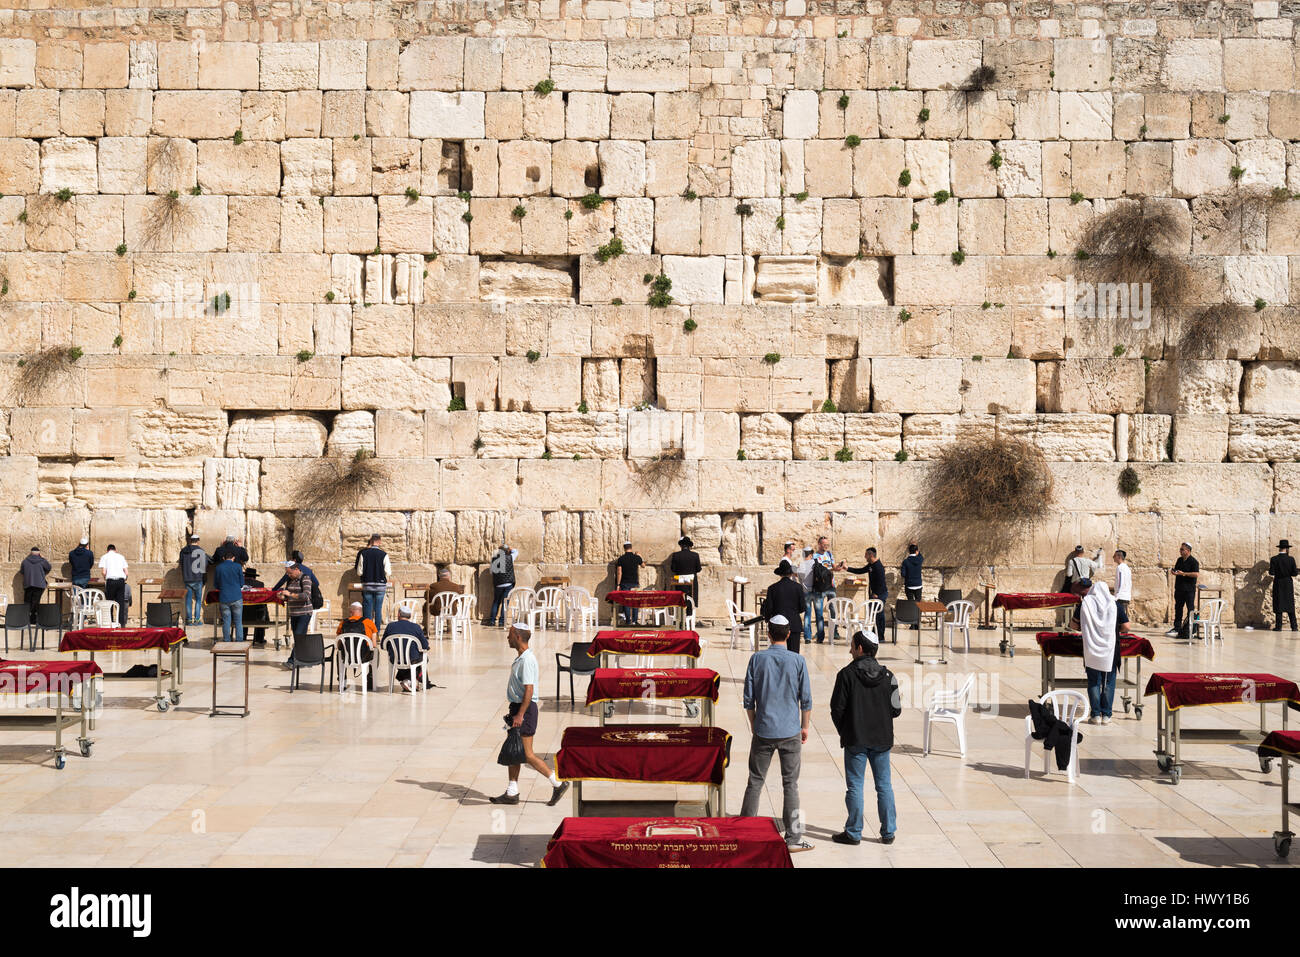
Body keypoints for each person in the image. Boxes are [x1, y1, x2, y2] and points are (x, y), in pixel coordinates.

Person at [740, 616, 814, 852]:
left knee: (755, 781)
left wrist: (754, 724)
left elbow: (748, 700)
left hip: (764, 729)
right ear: (789, 634)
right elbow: (806, 700)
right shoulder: (798, 661)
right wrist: (805, 727)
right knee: (790, 784)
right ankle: (793, 838)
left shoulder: (757, 659)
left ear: (768, 634)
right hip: (790, 730)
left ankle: (744, 833)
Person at [830, 630, 901, 845]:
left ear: (860, 649)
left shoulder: (846, 675)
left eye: (852, 645)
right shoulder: (889, 676)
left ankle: (853, 832)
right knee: (884, 786)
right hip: (881, 740)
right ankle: (888, 832)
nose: (850, 649)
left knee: (855, 786)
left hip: (856, 740)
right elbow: (896, 710)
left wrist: (846, 731)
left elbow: (836, 709)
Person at [489, 624, 569, 806]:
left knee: (526, 754)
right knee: (514, 748)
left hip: (524, 710)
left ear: (517, 636)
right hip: (518, 708)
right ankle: (512, 791)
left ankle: (557, 783)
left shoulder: (526, 660)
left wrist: (520, 715)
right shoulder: (522, 658)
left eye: (509, 635)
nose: (507, 638)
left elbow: (529, 690)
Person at [1080, 580, 1118, 724]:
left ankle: (1095, 714)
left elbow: (1073, 623)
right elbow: (1126, 626)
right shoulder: (1114, 604)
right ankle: (1107, 715)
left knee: (1094, 681)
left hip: (1091, 649)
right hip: (1109, 650)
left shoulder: (1085, 603)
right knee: (1108, 681)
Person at [382, 604, 432, 692]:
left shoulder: (390, 626)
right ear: (410, 616)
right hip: (412, 659)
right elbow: (425, 646)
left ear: (399, 615)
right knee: (424, 658)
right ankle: (409, 680)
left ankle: (409, 680)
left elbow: (383, 645)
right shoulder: (416, 627)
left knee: (405, 657)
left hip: (395, 659)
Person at [842, 548, 887, 638]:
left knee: (879, 615)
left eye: (866, 555)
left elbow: (881, 582)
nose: (864, 557)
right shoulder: (871, 565)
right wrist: (847, 568)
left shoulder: (878, 566)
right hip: (874, 594)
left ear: (871, 555)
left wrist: (876, 593)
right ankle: (875, 634)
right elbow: (860, 570)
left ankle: (880, 636)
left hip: (879, 594)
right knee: (875, 615)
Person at [764, 560, 806, 655]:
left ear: (780, 574)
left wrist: (768, 620)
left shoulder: (772, 588)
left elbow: (769, 608)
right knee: (794, 654)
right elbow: (803, 607)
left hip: (777, 625)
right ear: (791, 574)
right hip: (794, 624)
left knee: (776, 653)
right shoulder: (798, 587)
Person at [337, 601, 377, 689]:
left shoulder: (343, 623)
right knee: (376, 653)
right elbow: (374, 645)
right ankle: (370, 678)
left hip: (347, 656)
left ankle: (342, 679)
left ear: (351, 612)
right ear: (361, 611)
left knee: (338, 654)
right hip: (364, 656)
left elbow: (339, 644)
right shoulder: (369, 623)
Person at [355, 533, 391, 632]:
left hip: (367, 585)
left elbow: (359, 572)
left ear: (371, 541)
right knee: (378, 609)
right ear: (379, 541)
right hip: (380, 586)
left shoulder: (363, 554)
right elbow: (388, 572)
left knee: (367, 610)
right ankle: (377, 632)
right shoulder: (384, 554)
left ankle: (368, 631)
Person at [806, 535, 836, 644]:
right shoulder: (815, 556)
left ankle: (834, 631)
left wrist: (840, 567)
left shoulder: (829, 554)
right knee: (819, 613)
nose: (826, 546)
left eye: (827, 544)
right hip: (821, 587)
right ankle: (820, 633)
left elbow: (834, 567)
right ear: (819, 544)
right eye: (824, 544)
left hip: (831, 586)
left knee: (833, 609)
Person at [1167, 542, 1199, 639]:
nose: (1180, 551)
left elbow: (1196, 574)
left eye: (1182, 549)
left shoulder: (1194, 561)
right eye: (1180, 549)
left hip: (1189, 590)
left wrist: (1184, 573)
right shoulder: (1179, 560)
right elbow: (1177, 570)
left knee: (1190, 609)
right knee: (1178, 608)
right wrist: (1174, 572)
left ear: (1188, 551)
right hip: (1179, 589)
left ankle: (1190, 629)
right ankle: (1177, 628)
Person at [178, 534, 210, 626]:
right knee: (198, 600)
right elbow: (204, 566)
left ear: (190, 541)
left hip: (187, 578)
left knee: (188, 600)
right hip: (198, 578)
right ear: (198, 541)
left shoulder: (183, 551)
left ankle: (188, 620)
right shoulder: (201, 551)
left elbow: (181, 563)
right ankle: (196, 620)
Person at [212, 550, 244, 642]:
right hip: (237, 597)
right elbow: (242, 583)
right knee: (238, 621)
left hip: (224, 597)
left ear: (223, 558)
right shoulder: (238, 566)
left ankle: (227, 640)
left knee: (226, 621)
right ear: (233, 558)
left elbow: (216, 585)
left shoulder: (218, 567)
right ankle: (239, 641)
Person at [422, 568, 464, 634]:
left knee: (425, 606)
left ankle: (426, 628)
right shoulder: (456, 586)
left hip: (437, 610)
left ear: (439, 576)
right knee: (449, 606)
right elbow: (461, 599)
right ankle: (449, 628)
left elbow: (426, 597)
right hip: (452, 611)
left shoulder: (433, 586)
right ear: (449, 576)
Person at [614, 540, 645, 625]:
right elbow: (643, 566)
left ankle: (628, 621)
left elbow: (619, 572)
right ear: (631, 547)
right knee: (635, 601)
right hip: (634, 583)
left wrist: (618, 584)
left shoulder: (621, 559)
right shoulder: (636, 558)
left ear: (624, 548)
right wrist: (640, 556)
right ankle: (635, 620)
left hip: (625, 583)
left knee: (626, 602)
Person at [98, 544, 130, 627]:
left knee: (110, 601)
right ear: (115, 550)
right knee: (120, 603)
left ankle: (110, 622)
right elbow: (126, 572)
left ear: (107, 550)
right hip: (121, 581)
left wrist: (105, 578)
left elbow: (104, 572)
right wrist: (124, 579)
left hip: (111, 581)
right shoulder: (121, 557)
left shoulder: (104, 557)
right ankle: (121, 624)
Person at [1269, 540, 1297, 632]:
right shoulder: (1291, 559)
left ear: (1279, 548)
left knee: (1278, 604)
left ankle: (1278, 626)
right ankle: (1294, 627)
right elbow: (1295, 573)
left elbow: (1271, 572)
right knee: (1290, 604)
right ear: (1287, 549)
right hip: (1288, 583)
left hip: (1278, 582)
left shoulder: (1274, 559)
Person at [487, 542, 517, 626]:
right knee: (505, 603)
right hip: (508, 584)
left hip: (498, 584)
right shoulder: (510, 557)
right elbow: (516, 551)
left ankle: (492, 620)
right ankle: (501, 621)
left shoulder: (494, 559)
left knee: (496, 602)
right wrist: (510, 549)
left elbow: (491, 572)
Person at [281, 563, 314, 639]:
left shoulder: (305, 578)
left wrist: (290, 594)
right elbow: (288, 596)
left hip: (304, 613)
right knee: (298, 638)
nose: (289, 575)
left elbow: (306, 596)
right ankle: (303, 651)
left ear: (296, 569)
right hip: (293, 613)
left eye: (290, 573)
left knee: (299, 636)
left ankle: (295, 651)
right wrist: (282, 597)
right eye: (287, 573)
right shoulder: (290, 580)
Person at [20, 546, 51, 624]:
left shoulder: (25, 561)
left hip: (28, 584)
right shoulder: (42, 561)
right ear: (39, 553)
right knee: (36, 602)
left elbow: (22, 571)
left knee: (27, 602)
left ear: (31, 553)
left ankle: (25, 620)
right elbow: (48, 568)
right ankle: (33, 620)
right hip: (39, 584)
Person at [669, 536, 702, 606]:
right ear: (689, 546)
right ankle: (690, 613)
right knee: (691, 598)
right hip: (691, 580)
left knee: (680, 598)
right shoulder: (695, 555)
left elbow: (673, 569)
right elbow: (698, 569)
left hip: (679, 580)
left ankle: (680, 614)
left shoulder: (675, 555)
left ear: (681, 545)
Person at [796, 545, 817, 645]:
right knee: (819, 614)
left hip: (806, 592)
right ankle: (820, 637)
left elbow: (800, 578)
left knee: (807, 615)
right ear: (811, 554)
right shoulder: (816, 563)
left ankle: (808, 637)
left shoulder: (802, 565)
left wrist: (803, 586)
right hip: (817, 592)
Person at [900, 543, 924, 629]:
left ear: (908, 551)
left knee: (911, 604)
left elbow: (903, 574)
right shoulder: (920, 559)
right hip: (918, 585)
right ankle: (917, 623)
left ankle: (912, 624)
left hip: (909, 585)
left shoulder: (905, 561)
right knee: (918, 604)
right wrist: (917, 546)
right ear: (916, 551)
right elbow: (920, 555)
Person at [1113, 549, 1132, 623]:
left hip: (1121, 596)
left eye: (1114, 556)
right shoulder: (1127, 568)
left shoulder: (1120, 567)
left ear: (1119, 557)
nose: (1113, 557)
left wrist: (1117, 596)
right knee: (1124, 616)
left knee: (1119, 618)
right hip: (1126, 595)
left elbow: (1121, 582)